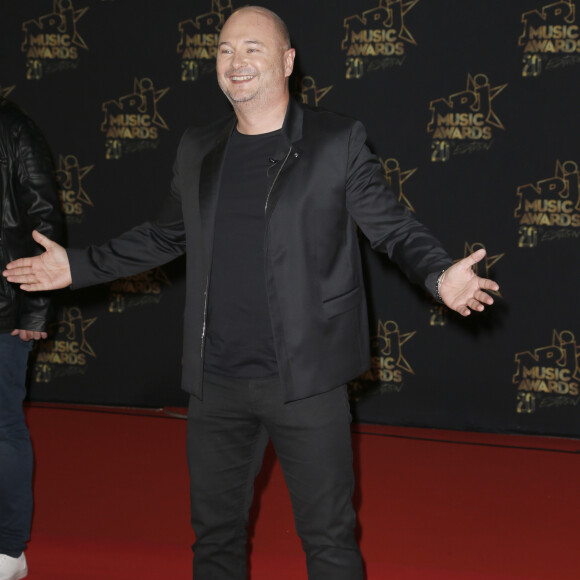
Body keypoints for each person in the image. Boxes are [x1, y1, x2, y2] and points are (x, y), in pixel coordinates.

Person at [3, 6, 499, 579]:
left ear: (287, 61)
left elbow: (392, 227)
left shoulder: (336, 141)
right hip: (215, 385)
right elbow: (165, 235)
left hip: (307, 382)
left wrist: (439, 275)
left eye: (253, 49)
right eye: (225, 50)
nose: (236, 62)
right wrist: (78, 267)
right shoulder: (198, 147)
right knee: (214, 541)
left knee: (330, 541)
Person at [0, 97, 62, 580]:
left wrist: (36, 305)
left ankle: (8, 549)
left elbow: (45, 219)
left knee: (2, 427)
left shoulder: (14, 128)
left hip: (2, 310)